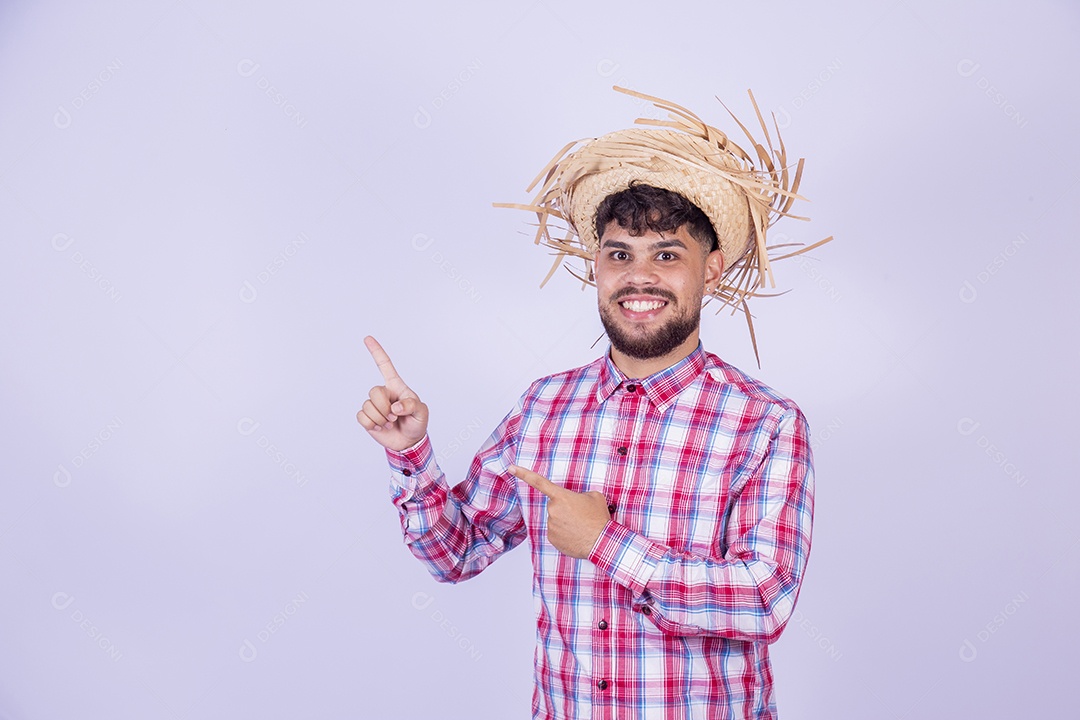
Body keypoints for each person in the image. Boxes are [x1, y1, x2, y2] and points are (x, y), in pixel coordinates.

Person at [358, 87, 826, 719]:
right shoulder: (544, 407)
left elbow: (762, 600)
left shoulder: (765, 424)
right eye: (619, 255)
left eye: (667, 254)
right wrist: (411, 454)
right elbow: (457, 551)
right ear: (597, 268)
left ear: (711, 269)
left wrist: (607, 543)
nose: (640, 278)